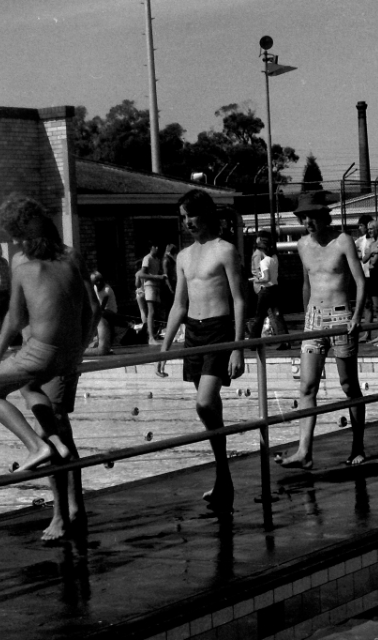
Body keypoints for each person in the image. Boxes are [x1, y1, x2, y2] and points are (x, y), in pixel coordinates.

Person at [0, 196, 96, 541]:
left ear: (16, 234)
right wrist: (79, 348)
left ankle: (38, 454)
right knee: (56, 425)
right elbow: (91, 309)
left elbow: (15, 318)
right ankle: (75, 510)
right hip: (67, 355)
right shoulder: (71, 255)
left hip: (40, 353)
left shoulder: (22, 261)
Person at [156, 189, 245, 512]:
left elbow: (239, 300)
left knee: (205, 403)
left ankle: (223, 473)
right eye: (183, 218)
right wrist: (166, 347)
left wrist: (238, 348)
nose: (187, 223)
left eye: (191, 216)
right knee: (209, 411)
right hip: (193, 332)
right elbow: (179, 305)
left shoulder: (226, 251)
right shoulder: (183, 256)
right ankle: (223, 476)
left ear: (207, 215)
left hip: (220, 330)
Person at [276, 190, 367, 469]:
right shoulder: (302, 245)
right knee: (306, 386)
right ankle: (304, 451)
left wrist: (357, 316)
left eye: (312, 217)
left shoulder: (343, 241)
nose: (308, 223)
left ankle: (357, 445)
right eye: (304, 218)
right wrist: (305, 320)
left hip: (340, 316)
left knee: (349, 385)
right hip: (314, 319)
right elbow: (306, 283)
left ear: (324, 216)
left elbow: (360, 281)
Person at [249, 231, 291, 349]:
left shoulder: (258, 254)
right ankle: (285, 340)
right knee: (276, 314)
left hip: (263, 287)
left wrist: (255, 279)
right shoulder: (272, 255)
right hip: (273, 286)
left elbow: (259, 272)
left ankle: (253, 341)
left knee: (259, 316)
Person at [86, 271, 118, 356]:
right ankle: (97, 340)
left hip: (110, 311)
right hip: (102, 310)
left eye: (100, 280)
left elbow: (101, 308)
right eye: (96, 281)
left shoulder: (107, 290)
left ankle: (99, 341)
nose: (98, 283)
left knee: (96, 317)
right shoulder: (95, 288)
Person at [141, 244, 166, 344]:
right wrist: (157, 277)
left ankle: (155, 334)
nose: (157, 248)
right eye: (155, 247)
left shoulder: (157, 259)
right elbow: (142, 274)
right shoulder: (147, 258)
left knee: (156, 311)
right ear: (151, 248)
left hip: (156, 286)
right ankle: (150, 337)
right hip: (149, 286)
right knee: (151, 311)